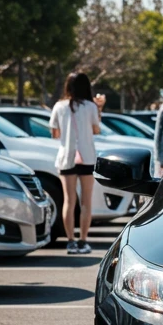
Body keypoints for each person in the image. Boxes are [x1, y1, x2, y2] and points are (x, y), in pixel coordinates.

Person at [49, 71, 101, 255]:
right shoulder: (90, 106)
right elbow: (96, 129)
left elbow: (55, 133)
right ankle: (83, 240)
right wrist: (99, 109)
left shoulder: (59, 106)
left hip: (66, 157)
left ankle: (70, 241)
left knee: (69, 201)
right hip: (86, 156)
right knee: (86, 200)